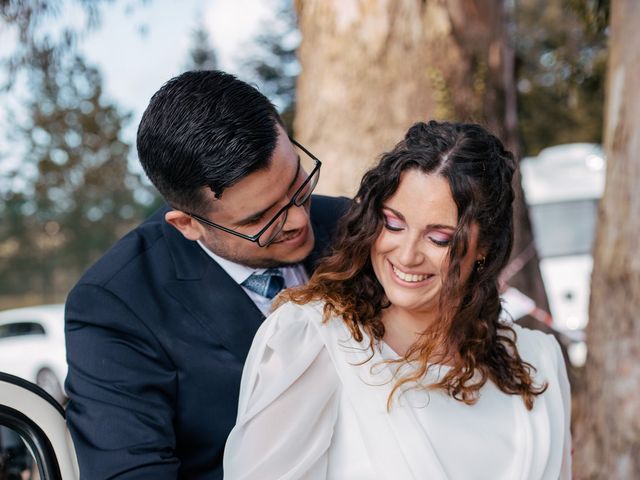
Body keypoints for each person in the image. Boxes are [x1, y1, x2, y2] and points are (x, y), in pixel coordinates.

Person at [224, 121, 572, 479]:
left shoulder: (538, 361)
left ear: (484, 247)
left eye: (438, 238)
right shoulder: (313, 339)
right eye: (393, 223)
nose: (406, 255)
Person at [64, 70, 347, 479]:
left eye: (298, 182)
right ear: (187, 225)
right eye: (261, 218)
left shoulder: (350, 223)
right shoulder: (116, 306)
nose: (300, 219)